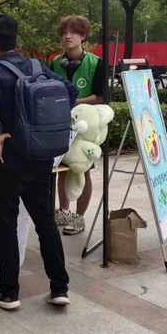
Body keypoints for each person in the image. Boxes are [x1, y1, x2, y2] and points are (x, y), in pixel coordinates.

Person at [0, 15, 78, 309]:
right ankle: (59, 288)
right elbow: (70, 91)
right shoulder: (36, 66)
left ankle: (9, 293)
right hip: (41, 158)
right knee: (45, 223)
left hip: (7, 159)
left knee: (6, 226)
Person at [51, 15, 105, 236]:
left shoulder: (96, 63)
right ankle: (64, 211)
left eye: (73, 32)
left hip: (86, 128)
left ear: (83, 36)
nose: (68, 36)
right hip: (60, 124)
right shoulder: (55, 62)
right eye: (64, 32)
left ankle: (79, 217)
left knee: (83, 170)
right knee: (61, 171)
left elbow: (100, 96)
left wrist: (74, 102)